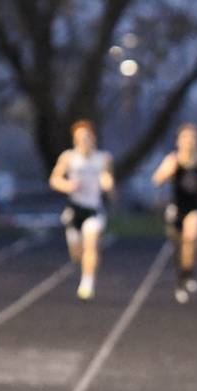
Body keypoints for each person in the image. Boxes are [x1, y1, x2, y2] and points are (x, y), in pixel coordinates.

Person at [151, 123, 197, 304]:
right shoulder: (172, 160)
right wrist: (166, 173)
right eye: (185, 139)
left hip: (195, 209)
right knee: (180, 247)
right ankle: (182, 277)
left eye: (193, 139)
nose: (189, 142)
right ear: (178, 141)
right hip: (176, 209)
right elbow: (156, 179)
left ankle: (188, 274)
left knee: (191, 235)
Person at [49, 119, 114, 300]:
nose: (83, 140)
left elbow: (109, 181)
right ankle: (84, 267)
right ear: (75, 140)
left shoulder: (103, 158)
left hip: (94, 210)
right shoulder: (68, 157)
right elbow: (54, 180)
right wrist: (67, 185)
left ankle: (87, 282)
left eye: (86, 136)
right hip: (74, 210)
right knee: (77, 253)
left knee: (91, 243)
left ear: (93, 137)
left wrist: (108, 185)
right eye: (79, 137)